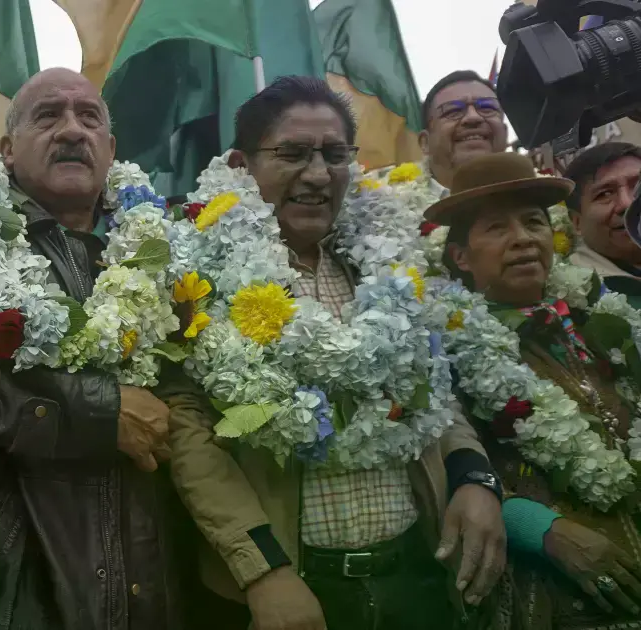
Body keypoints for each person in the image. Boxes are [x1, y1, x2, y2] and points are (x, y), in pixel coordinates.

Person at [157, 76, 506, 630]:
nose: (318, 175)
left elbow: (436, 393)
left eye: (335, 154)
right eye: (293, 154)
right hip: (291, 589)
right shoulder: (199, 274)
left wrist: (474, 478)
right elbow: (189, 430)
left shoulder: (388, 265)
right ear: (241, 166)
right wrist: (263, 572)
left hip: (418, 577)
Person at [0, 67, 183, 629]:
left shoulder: (160, 239)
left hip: (161, 560)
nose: (72, 130)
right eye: (48, 116)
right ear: (6, 150)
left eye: (89, 117)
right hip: (17, 572)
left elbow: (190, 376)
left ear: (111, 147)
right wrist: (101, 414)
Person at [432, 151, 641, 630]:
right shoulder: (439, 345)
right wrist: (544, 530)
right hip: (541, 595)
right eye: (496, 228)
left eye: (533, 223)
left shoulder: (605, 322)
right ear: (460, 255)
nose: (523, 239)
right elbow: (437, 474)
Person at [564, 142, 641, 305]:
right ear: (576, 222)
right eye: (605, 194)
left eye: (638, 186)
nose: (627, 203)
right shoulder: (572, 298)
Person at [419, 70, 510, 192]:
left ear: (505, 133)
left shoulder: (541, 197)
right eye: (453, 111)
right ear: (425, 142)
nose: (473, 117)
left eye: (487, 108)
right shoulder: (388, 205)